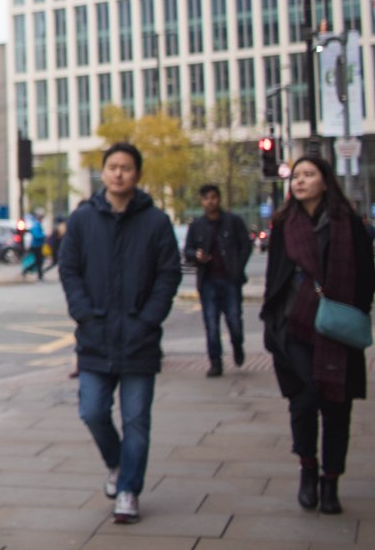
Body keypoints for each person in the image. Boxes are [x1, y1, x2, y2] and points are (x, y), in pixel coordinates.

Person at [58, 142, 182, 525]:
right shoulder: (82, 219)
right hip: (95, 337)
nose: (118, 173)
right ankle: (117, 464)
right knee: (92, 410)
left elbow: (169, 274)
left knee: (136, 421)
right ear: (104, 172)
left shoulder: (156, 222)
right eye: (112, 166)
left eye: (126, 167)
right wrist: (84, 314)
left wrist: (148, 320)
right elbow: (69, 268)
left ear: (136, 174)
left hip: (139, 339)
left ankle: (128, 489)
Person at [260, 155, 374, 515]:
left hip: (337, 329)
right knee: (305, 400)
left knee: (337, 406)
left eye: (309, 175)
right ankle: (308, 469)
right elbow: (274, 278)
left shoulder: (349, 224)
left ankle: (331, 482)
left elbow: (366, 276)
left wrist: (355, 314)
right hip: (295, 328)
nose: (300, 181)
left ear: (326, 181)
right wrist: (273, 322)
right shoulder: (284, 224)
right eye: (296, 176)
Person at [183, 184, 251, 377]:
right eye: (205, 198)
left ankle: (237, 346)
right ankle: (215, 362)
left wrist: (238, 267)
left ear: (219, 199)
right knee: (211, 324)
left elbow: (245, 245)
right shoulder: (197, 225)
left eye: (213, 197)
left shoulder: (233, 221)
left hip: (230, 280)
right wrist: (196, 255)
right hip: (208, 282)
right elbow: (187, 251)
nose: (209, 202)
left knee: (234, 320)